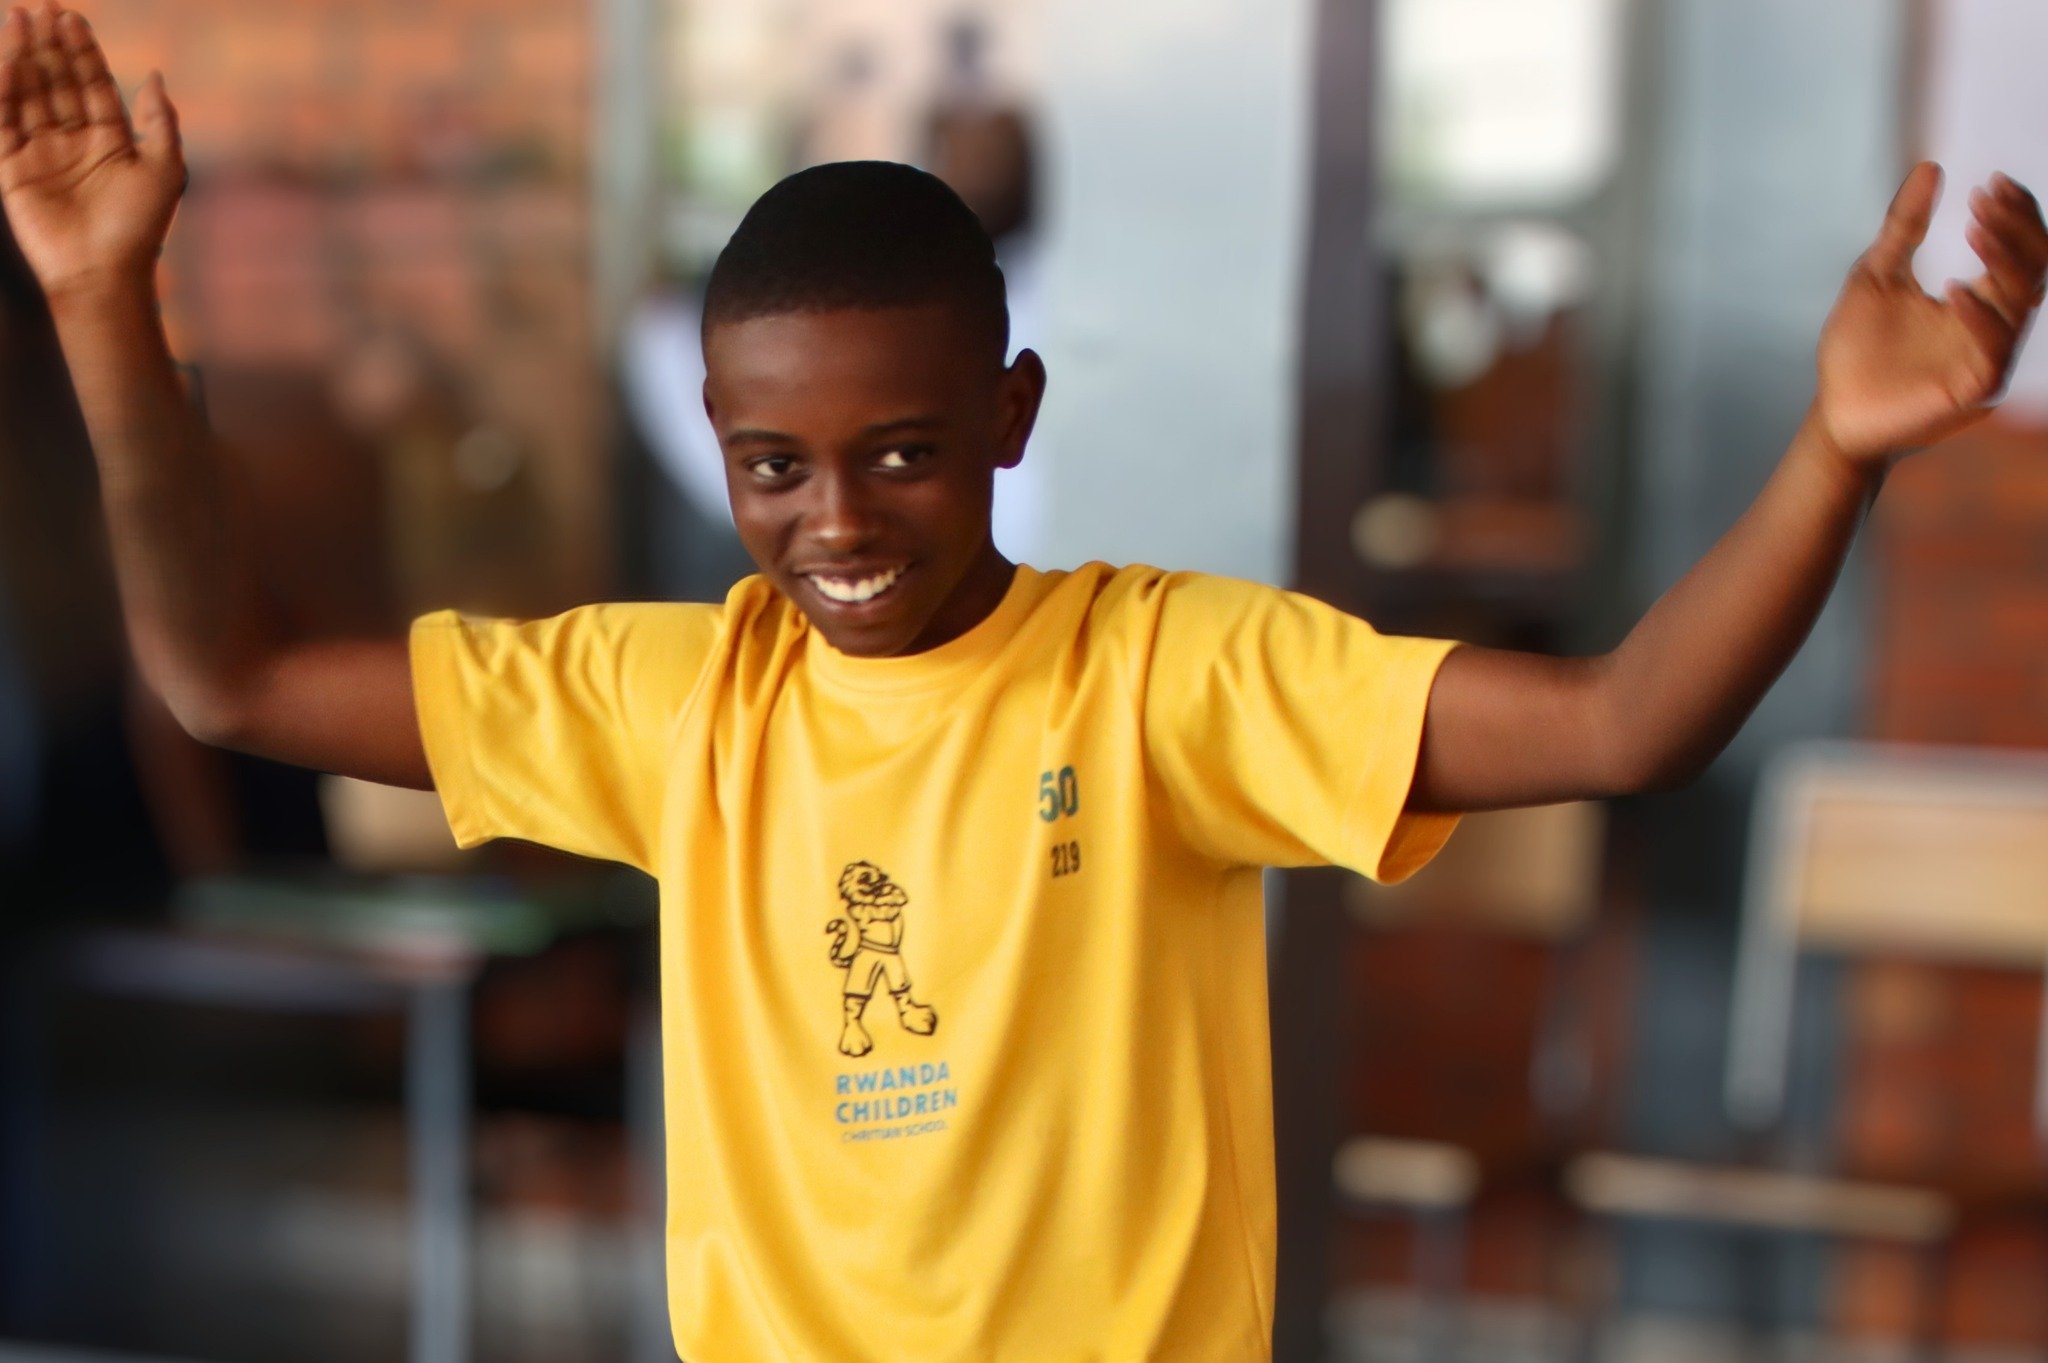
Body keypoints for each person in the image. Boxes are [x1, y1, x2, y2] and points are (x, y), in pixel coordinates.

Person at [3, 6, 2043, 1359]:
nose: (839, 523)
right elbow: (230, 675)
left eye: (902, 449)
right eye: (774, 467)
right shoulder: (670, 702)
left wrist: (1833, 452)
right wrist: (104, 298)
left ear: (1009, 413)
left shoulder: (1166, 674)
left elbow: (1621, 725)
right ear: (715, 443)